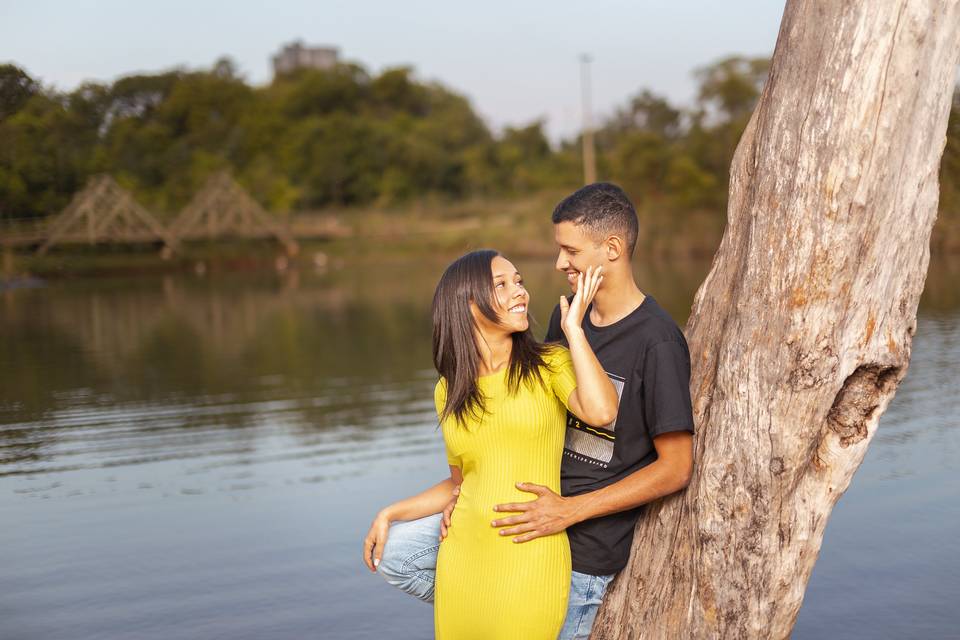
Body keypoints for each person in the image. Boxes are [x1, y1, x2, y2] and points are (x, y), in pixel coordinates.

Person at [372, 183, 695, 640]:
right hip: (512, 525)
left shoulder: (657, 341)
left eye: (569, 251)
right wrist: (460, 498)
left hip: (583, 545)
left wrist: (568, 511)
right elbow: (510, 429)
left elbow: (677, 468)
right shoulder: (560, 327)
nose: (560, 263)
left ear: (613, 249)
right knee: (400, 553)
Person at [363, 249, 619, 639]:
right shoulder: (447, 390)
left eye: (518, 281)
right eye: (502, 285)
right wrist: (391, 512)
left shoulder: (550, 364)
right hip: (463, 562)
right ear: (467, 304)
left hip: (531, 555)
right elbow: (462, 483)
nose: (520, 292)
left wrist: (575, 331)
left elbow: (602, 412)